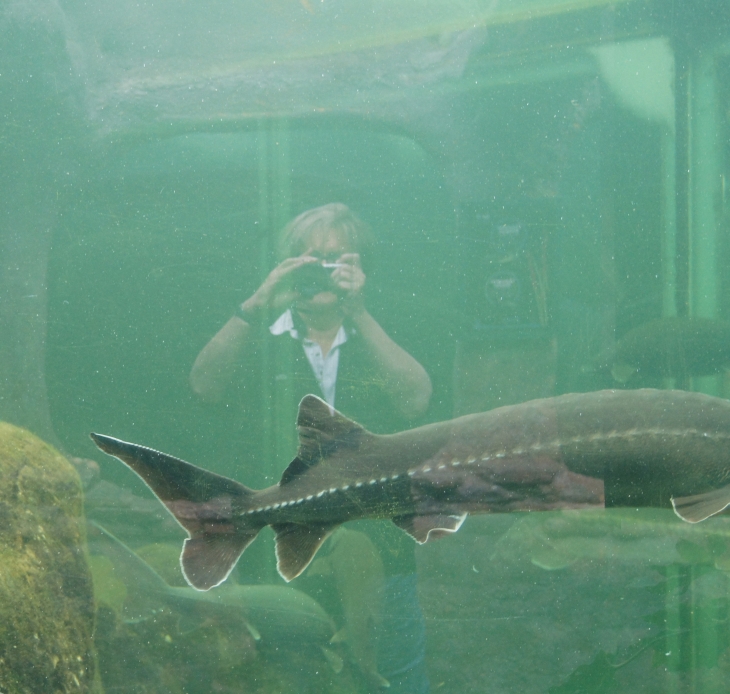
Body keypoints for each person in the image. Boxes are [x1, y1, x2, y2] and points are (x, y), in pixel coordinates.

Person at [190, 203, 432, 693]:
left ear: (361, 268)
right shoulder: (260, 338)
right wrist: (256, 305)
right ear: (285, 266)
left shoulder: (380, 328)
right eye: (307, 259)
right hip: (278, 547)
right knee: (291, 677)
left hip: (381, 544)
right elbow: (204, 386)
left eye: (335, 257)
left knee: (395, 674)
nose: (321, 270)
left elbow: (415, 401)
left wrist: (358, 312)